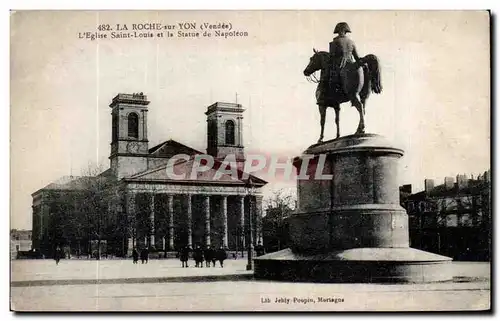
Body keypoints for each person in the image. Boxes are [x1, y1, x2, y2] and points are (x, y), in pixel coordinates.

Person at [329, 22, 360, 93]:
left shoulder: (335, 41)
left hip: (339, 65)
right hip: (351, 64)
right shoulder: (352, 42)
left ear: (339, 31)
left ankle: (332, 93)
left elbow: (331, 57)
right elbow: (356, 57)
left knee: (329, 74)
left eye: (339, 31)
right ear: (346, 31)